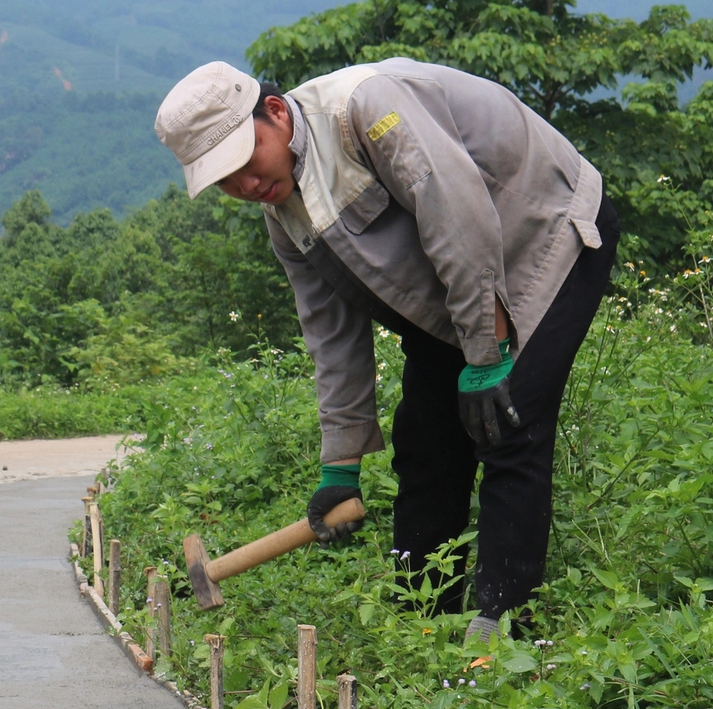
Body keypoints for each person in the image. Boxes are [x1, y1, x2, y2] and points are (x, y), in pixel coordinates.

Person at [154, 59, 619, 647]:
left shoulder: (366, 110)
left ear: (274, 113)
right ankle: (420, 625)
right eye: (226, 181)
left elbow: (460, 218)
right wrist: (339, 467)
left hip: (546, 232)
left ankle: (501, 636)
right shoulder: (284, 214)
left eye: (246, 161)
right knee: (426, 444)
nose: (245, 185)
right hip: (459, 290)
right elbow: (331, 334)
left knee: (508, 424)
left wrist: (487, 355)